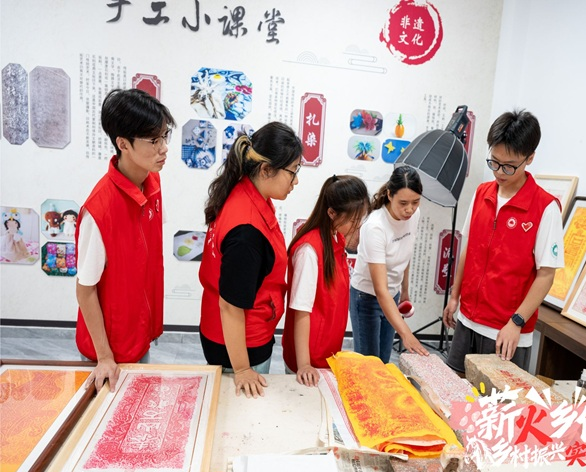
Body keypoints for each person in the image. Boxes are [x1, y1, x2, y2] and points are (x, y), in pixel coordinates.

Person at [443, 109, 564, 374]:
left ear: (530, 158)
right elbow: (467, 250)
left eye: (509, 166)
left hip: (505, 331)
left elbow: (546, 275)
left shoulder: (545, 208)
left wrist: (517, 322)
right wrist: (454, 297)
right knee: (455, 392)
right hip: (467, 320)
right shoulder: (482, 193)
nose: (499, 172)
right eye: (494, 162)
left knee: (497, 399)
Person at [75, 88, 175, 391]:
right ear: (123, 144)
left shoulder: (152, 182)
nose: (164, 148)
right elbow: (85, 290)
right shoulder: (99, 210)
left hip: (139, 335)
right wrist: (105, 357)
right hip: (108, 353)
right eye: (154, 141)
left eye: (164, 136)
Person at [199, 122, 303, 399]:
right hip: (240, 344)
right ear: (266, 169)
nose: (295, 181)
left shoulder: (244, 193)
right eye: (293, 171)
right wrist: (243, 369)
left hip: (227, 331)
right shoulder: (246, 232)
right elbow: (230, 306)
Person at [283, 175, 371, 387]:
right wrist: (304, 364)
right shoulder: (309, 250)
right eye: (353, 220)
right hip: (308, 360)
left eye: (360, 219)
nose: (357, 226)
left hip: (327, 352)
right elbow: (301, 310)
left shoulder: (336, 238)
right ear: (331, 213)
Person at [350, 165, 429, 363]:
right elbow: (380, 289)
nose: (410, 209)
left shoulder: (414, 215)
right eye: (403, 203)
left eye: (415, 202)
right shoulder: (375, 227)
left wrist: (404, 291)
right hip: (367, 297)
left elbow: (406, 252)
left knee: (383, 362)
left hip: (392, 295)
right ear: (389, 195)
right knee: (369, 364)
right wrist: (406, 334)